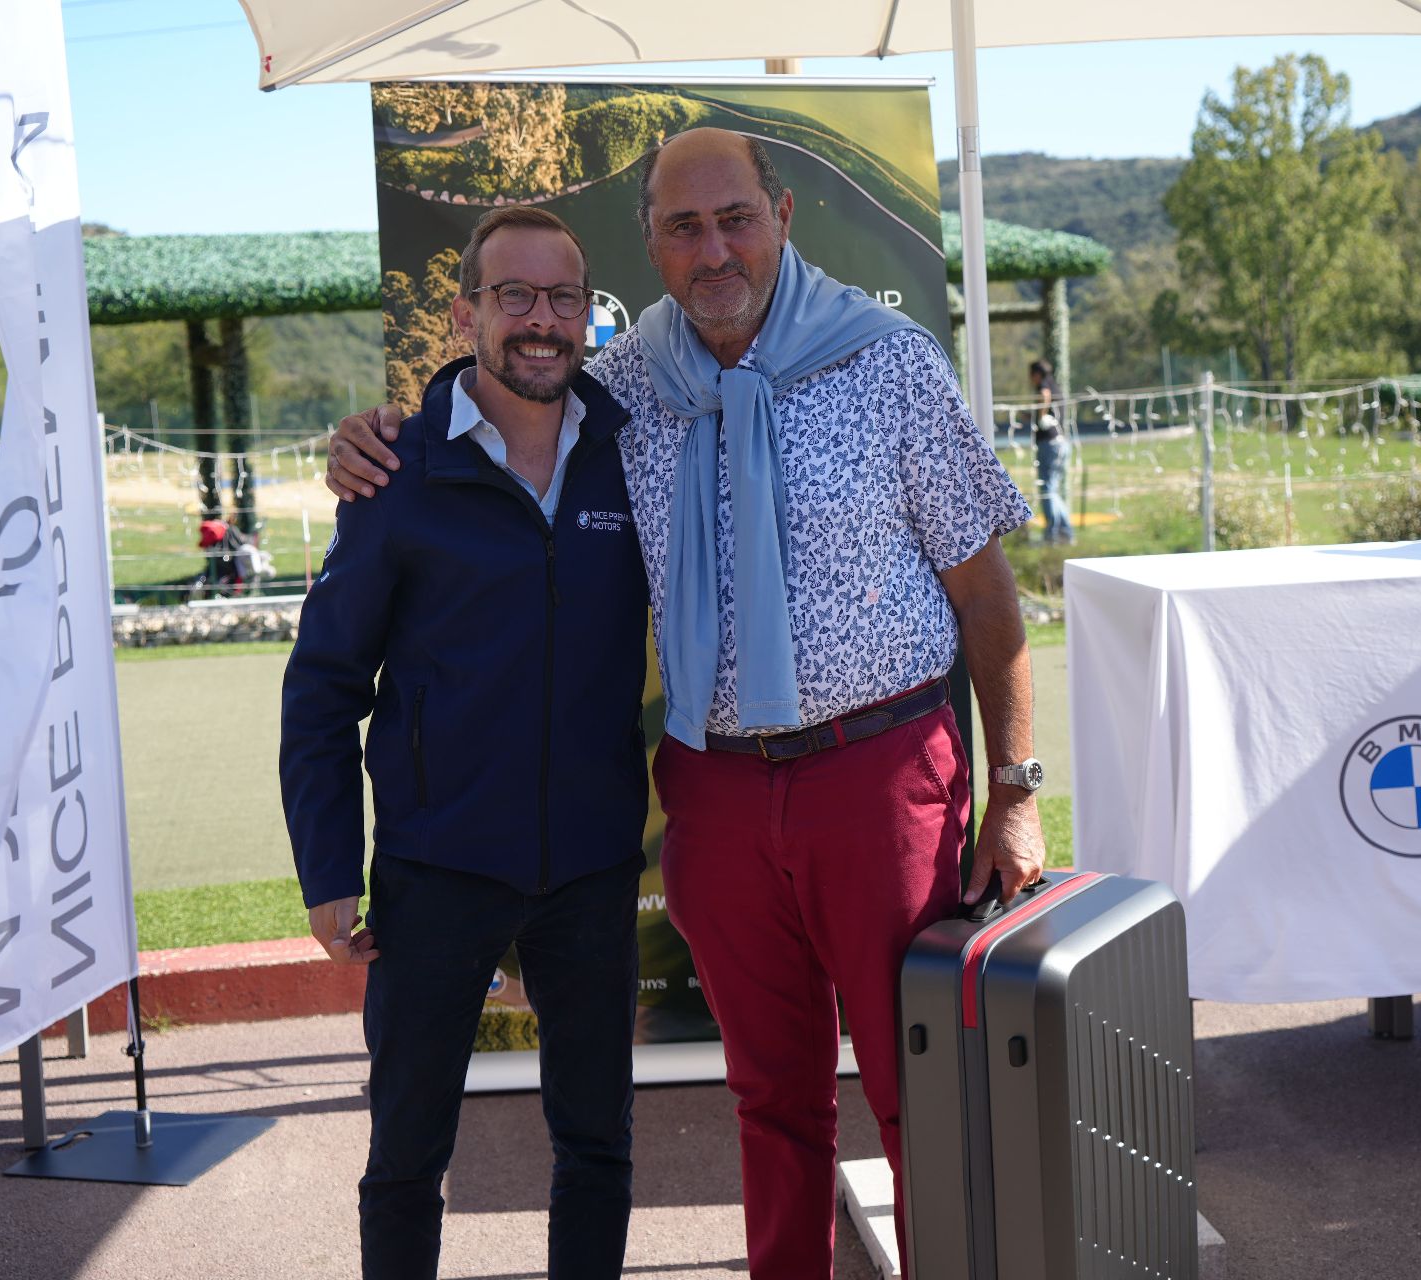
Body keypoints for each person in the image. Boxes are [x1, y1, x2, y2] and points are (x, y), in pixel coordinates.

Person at [325, 129, 1047, 1278]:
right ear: (651, 245)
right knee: (771, 1095)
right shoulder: (624, 389)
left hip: (881, 775)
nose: (714, 251)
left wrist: (1016, 789)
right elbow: (502, 401)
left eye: (735, 219)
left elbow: (988, 595)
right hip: (715, 791)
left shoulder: (893, 365)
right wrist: (379, 436)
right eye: (683, 227)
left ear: (783, 216)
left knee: (923, 1090)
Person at [279, 206, 648, 1280]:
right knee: (407, 1156)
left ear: (590, 312)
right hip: (436, 865)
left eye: (564, 297)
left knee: (598, 1144)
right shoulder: (394, 471)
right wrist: (326, 870)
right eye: (514, 295)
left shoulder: (634, 454)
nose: (542, 320)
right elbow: (323, 685)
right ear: (464, 313)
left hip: (592, 864)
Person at [1029, 359, 1074, 545]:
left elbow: (1044, 395)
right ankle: (1065, 532)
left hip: (1049, 443)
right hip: (1061, 443)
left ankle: (1052, 534)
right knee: (1052, 489)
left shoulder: (1045, 386)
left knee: (1047, 489)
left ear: (1037, 374)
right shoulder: (1056, 387)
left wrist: (1041, 416)